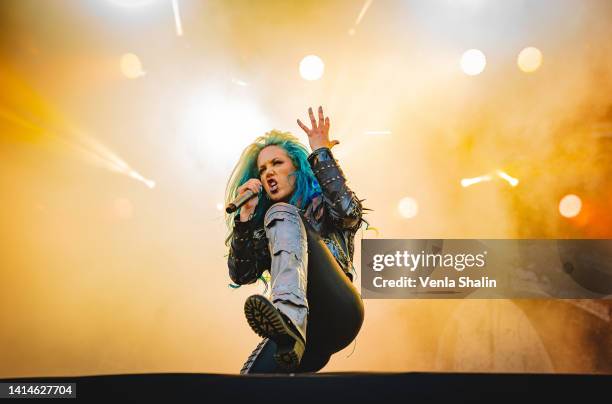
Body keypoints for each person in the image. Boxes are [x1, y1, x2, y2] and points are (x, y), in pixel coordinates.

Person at [224, 106, 366, 373]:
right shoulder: (269, 226)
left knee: (281, 213)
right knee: (251, 378)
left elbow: (349, 212)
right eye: (262, 169)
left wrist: (321, 152)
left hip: (337, 307)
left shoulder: (322, 205)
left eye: (277, 163)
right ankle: (289, 330)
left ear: (297, 168)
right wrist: (244, 219)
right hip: (310, 335)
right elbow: (241, 275)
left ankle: (289, 319)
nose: (268, 173)